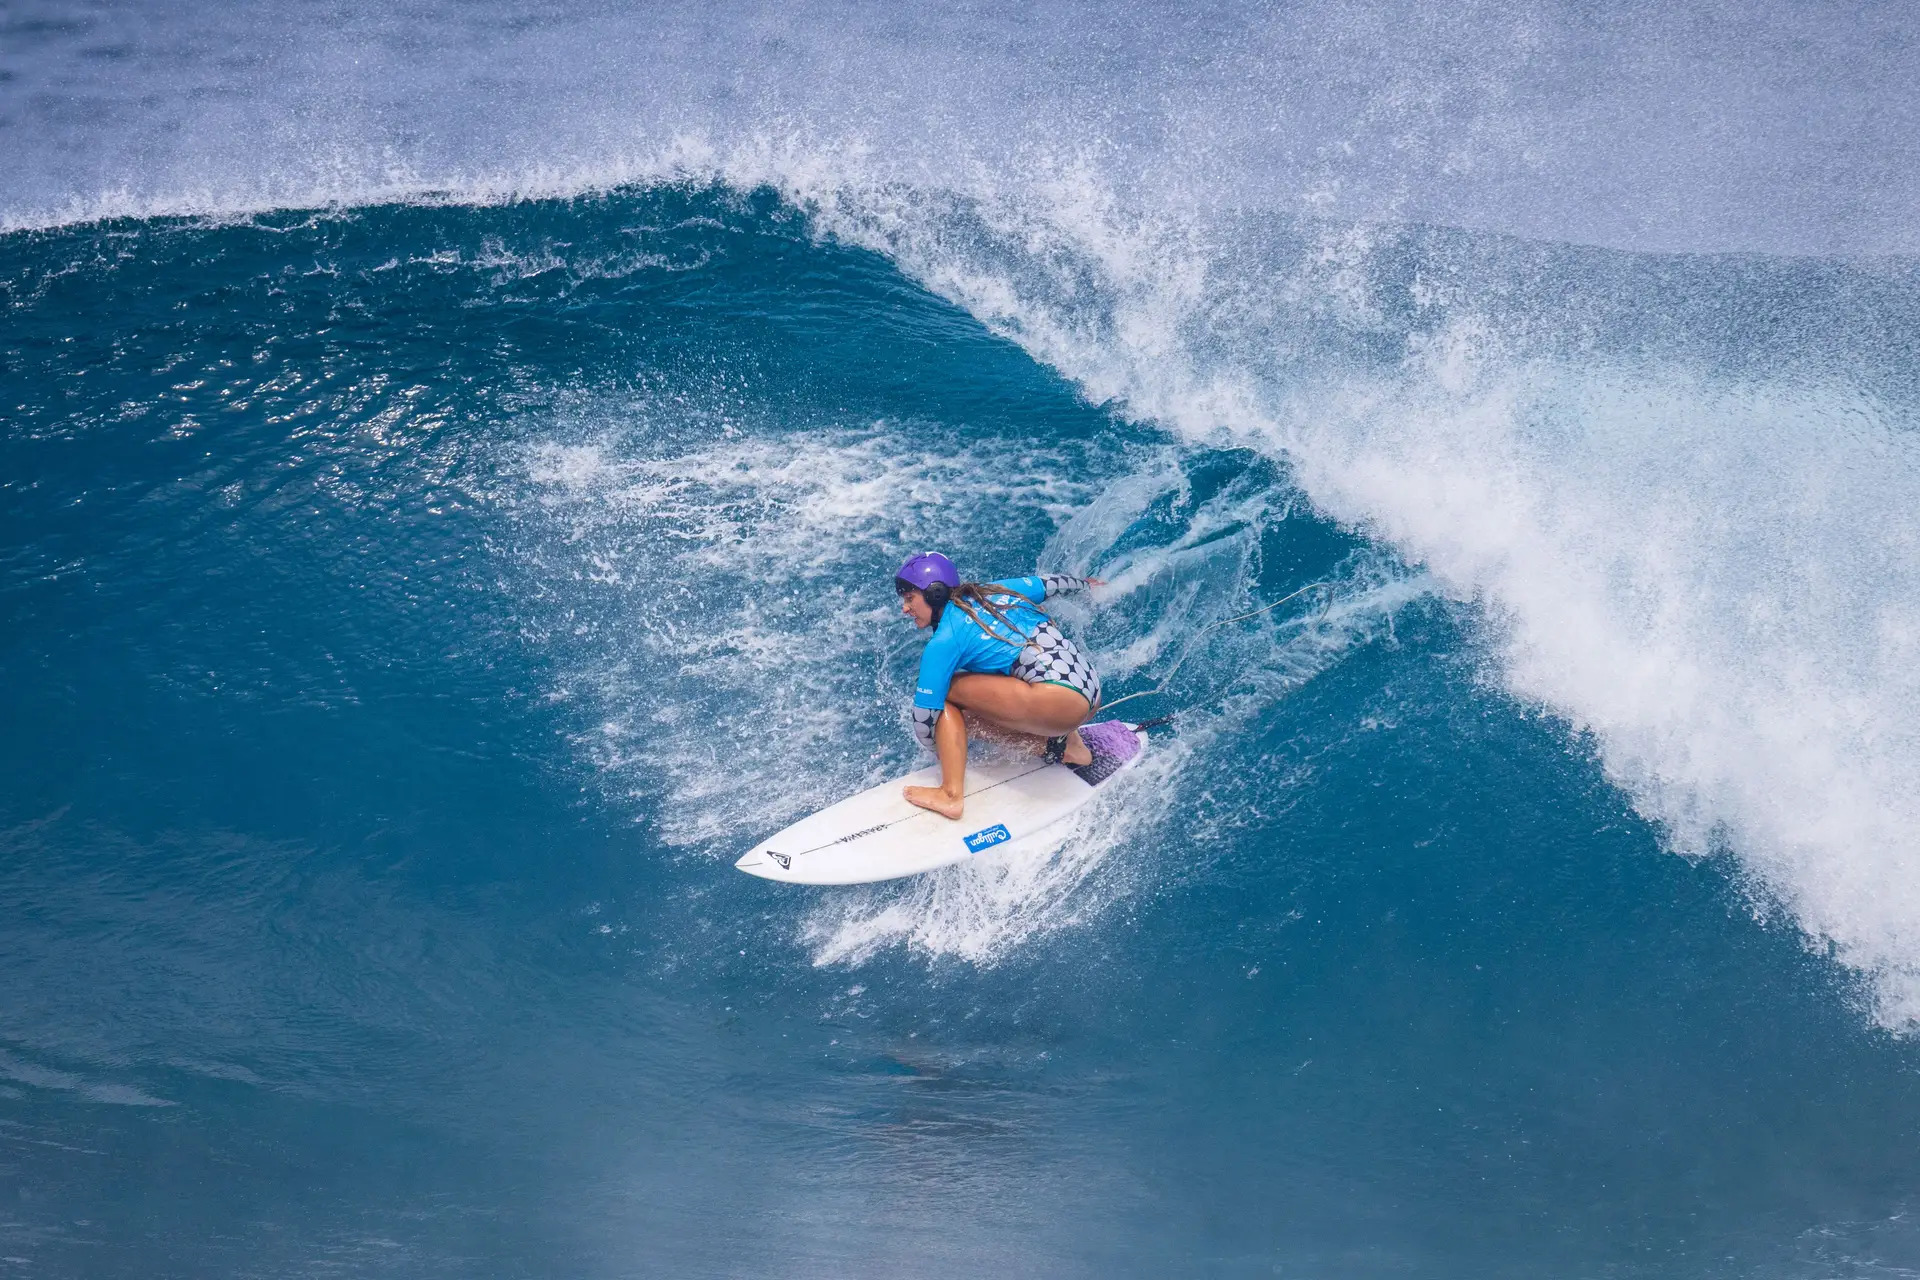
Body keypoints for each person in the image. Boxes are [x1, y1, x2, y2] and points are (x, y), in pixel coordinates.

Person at [893, 551, 1121, 820]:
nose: (904, 609)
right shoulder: (997, 591)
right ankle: (1068, 744)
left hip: (1061, 704)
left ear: (935, 593)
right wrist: (1087, 585)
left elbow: (924, 718)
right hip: (1090, 690)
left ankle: (950, 795)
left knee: (946, 696)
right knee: (1002, 673)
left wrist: (941, 748)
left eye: (910, 599)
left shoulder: (944, 641)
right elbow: (1053, 584)